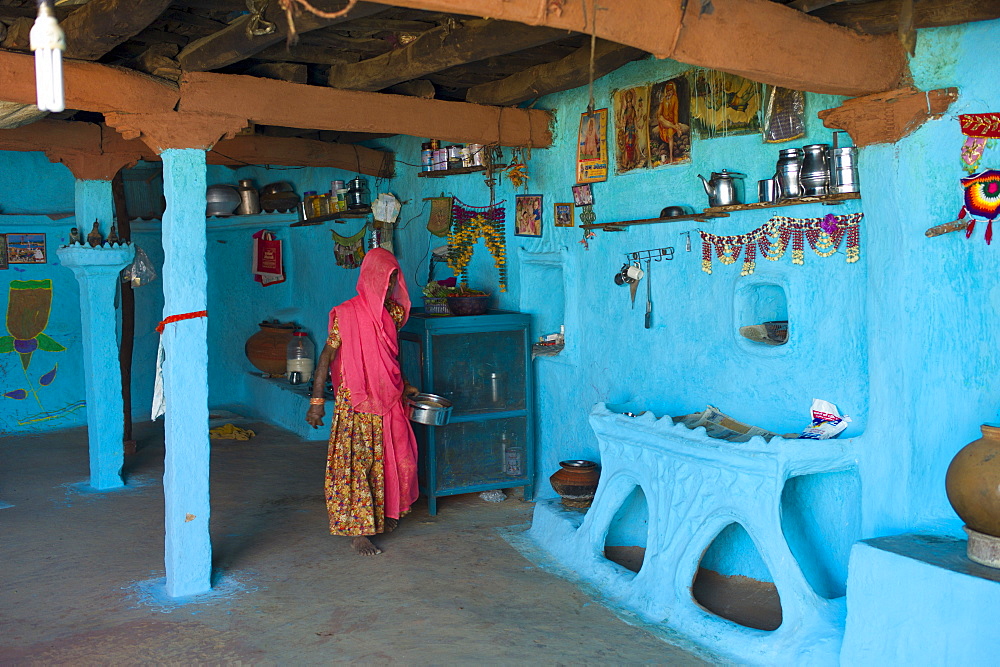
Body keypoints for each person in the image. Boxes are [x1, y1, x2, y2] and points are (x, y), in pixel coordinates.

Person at [306, 248, 419, 556]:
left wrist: (404, 385)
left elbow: (388, 357)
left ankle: (383, 514)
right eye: (386, 278)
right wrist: (317, 401)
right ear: (371, 278)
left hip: (387, 398)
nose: (391, 284)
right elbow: (326, 357)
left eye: (395, 278)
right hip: (356, 403)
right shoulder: (347, 314)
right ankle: (359, 531)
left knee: (393, 460)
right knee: (356, 465)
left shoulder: (394, 314)